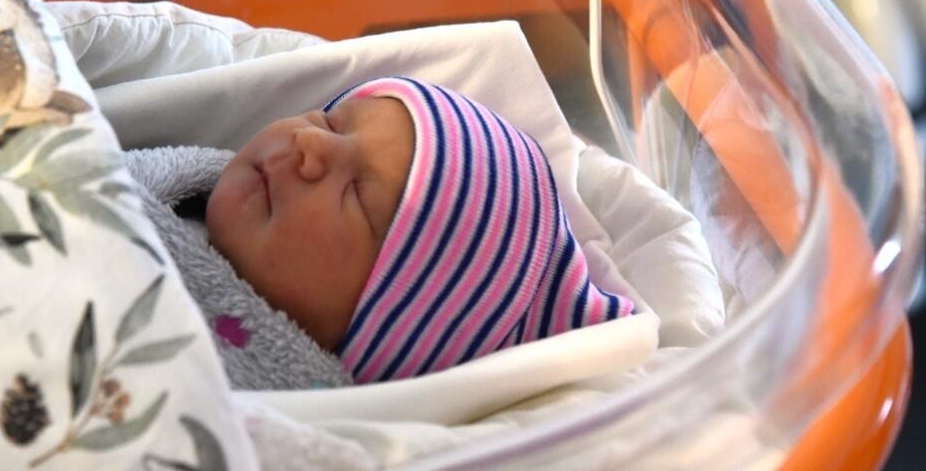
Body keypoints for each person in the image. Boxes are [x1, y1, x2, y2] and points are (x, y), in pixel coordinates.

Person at [126, 76, 635, 389]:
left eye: (356, 195)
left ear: (382, 333)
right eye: (331, 122)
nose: (309, 143)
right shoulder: (169, 183)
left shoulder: (278, 407)